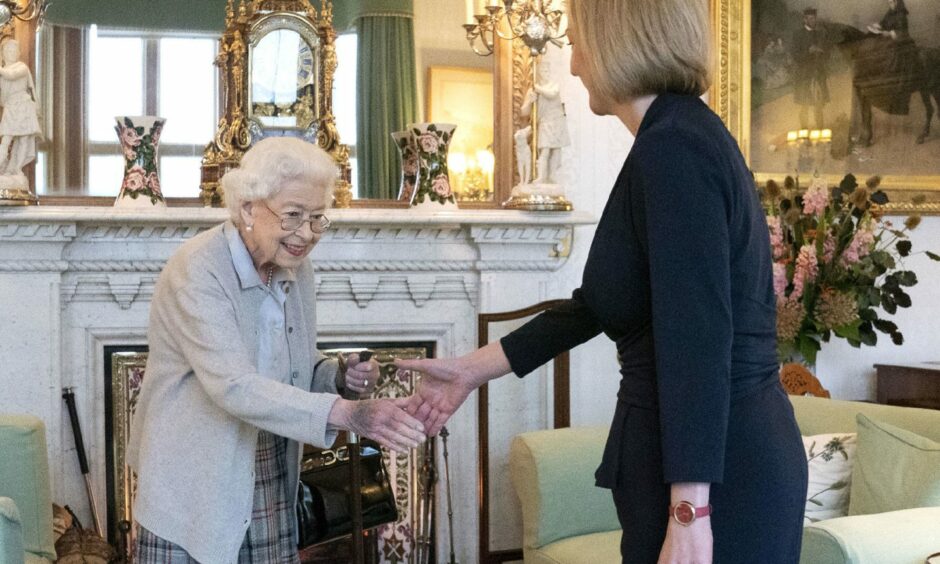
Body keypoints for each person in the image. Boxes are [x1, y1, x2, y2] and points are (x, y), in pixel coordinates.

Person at [399, 1, 807, 562]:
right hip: (702, 464)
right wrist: (470, 370)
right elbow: (598, 305)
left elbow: (697, 337)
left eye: (580, 42)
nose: (573, 66)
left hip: (718, 477)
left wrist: (690, 511)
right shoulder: (673, 138)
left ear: (620, 41)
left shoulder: (674, 149)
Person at [127, 137, 426, 564]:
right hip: (195, 477)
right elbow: (233, 385)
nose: (305, 233)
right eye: (292, 216)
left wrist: (338, 377)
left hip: (267, 462)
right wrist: (346, 413)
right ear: (248, 208)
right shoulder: (197, 270)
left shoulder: (294, 267)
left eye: (317, 218)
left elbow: (293, 363)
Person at [866, 0, 921, 115]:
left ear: (897, 2)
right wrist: (876, 26)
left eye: (891, 2)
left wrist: (890, 33)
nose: (889, 4)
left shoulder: (901, 14)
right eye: (888, 2)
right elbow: (883, 23)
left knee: (893, 59)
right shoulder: (890, 12)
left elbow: (903, 32)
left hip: (902, 43)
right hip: (891, 42)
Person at [520, 58, 570, 185]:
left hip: (557, 120)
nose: (546, 72)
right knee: (545, 150)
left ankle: (552, 176)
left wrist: (539, 89)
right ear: (539, 72)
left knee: (557, 151)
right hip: (545, 122)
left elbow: (552, 94)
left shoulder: (553, 86)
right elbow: (524, 112)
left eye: (548, 70)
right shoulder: (532, 90)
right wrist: (529, 102)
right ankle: (542, 177)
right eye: (543, 70)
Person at [0, 39, 41, 178]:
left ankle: (16, 168)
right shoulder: (3, 71)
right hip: (11, 107)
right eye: (8, 51)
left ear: (18, 53)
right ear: (3, 54)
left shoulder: (21, 67)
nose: (11, 53)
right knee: (6, 138)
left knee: (24, 138)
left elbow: (11, 75)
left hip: (23, 106)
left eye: (13, 51)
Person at [791, 8, 831, 128]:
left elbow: (828, 54)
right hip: (804, 75)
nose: (812, 20)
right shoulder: (798, 35)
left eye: (814, 18)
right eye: (809, 18)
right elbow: (795, 55)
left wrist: (822, 52)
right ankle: (804, 131)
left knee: (819, 104)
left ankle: (820, 130)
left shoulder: (821, 33)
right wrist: (808, 52)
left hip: (818, 74)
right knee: (804, 104)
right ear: (804, 19)